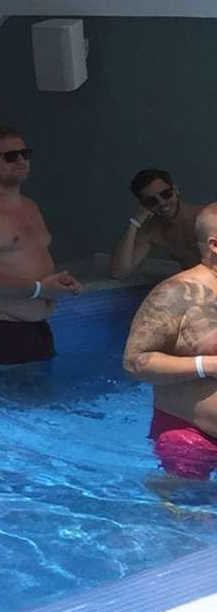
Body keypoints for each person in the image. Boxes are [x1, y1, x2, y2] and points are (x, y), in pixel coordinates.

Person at [0, 124, 83, 364]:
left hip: (36, 329)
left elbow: (27, 259)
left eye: (25, 153)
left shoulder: (30, 206)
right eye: (10, 156)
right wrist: (39, 289)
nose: (21, 160)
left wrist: (58, 284)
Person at [122, 203, 217, 479]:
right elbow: (135, 362)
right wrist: (206, 365)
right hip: (192, 437)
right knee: (183, 504)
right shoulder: (175, 294)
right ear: (215, 245)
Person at [112, 169, 207, 279]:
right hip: (197, 283)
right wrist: (134, 223)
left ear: (176, 190)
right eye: (152, 201)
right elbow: (119, 273)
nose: (162, 203)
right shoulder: (151, 231)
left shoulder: (207, 216)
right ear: (144, 205)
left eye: (165, 194)